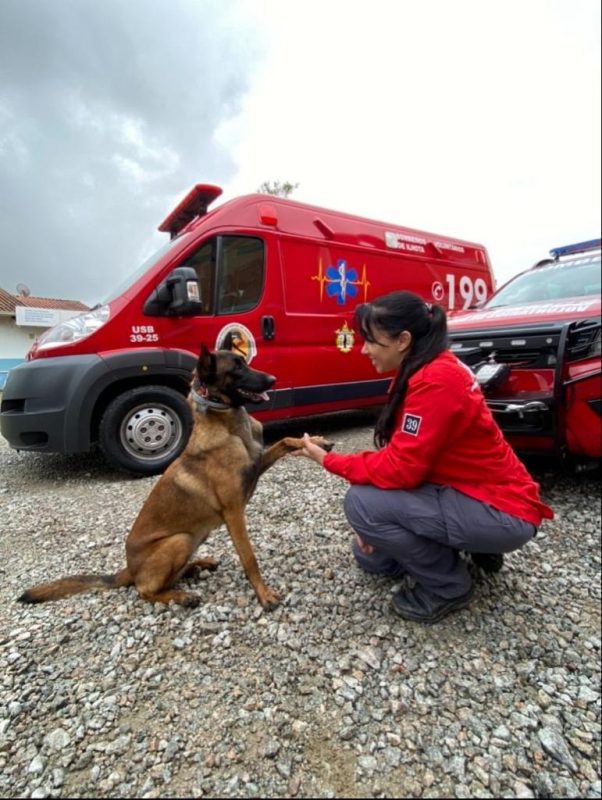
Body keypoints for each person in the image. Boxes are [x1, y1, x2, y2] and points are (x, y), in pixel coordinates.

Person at [295, 291, 554, 624]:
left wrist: (328, 461)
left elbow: (401, 470)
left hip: (502, 509)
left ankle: (449, 586)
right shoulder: (430, 367)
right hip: (480, 493)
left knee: (360, 504)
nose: (363, 349)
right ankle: (473, 550)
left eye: (371, 340)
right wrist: (372, 531)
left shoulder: (435, 380)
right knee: (371, 558)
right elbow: (406, 454)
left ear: (403, 340)